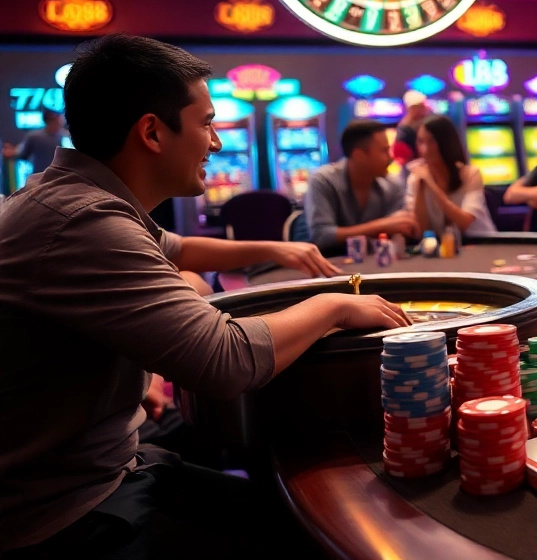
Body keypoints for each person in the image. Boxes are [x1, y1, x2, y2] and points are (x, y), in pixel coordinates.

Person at [0, 34, 410, 557]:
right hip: (64, 516)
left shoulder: (73, 197)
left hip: (106, 469)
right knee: (312, 535)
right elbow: (225, 361)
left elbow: (176, 248)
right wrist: (336, 304)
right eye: (207, 122)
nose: (216, 142)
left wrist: (279, 249)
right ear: (152, 132)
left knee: (286, 509)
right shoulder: (84, 222)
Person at [305, 119, 420, 255]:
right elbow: (321, 235)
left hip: (376, 264)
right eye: (384, 151)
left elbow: (402, 228)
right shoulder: (323, 180)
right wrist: (382, 225)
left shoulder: (392, 184)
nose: (391, 158)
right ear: (359, 155)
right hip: (333, 265)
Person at [405, 115, 496, 241]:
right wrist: (421, 186)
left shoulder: (470, 174)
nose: (424, 149)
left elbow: (463, 224)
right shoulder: (416, 178)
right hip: (443, 248)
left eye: (432, 141)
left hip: (481, 244)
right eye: (420, 141)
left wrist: (431, 184)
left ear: (446, 143)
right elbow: (421, 231)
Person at [2, 107, 66, 176]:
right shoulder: (35, 137)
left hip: (59, 176)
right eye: (58, 119)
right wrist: (11, 152)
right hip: (40, 176)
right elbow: (23, 154)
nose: (61, 121)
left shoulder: (65, 137)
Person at [392, 89, 430, 164]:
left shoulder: (426, 123)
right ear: (411, 108)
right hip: (411, 166)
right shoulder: (404, 128)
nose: (423, 109)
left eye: (423, 106)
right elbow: (400, 155)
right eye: (419, 107)